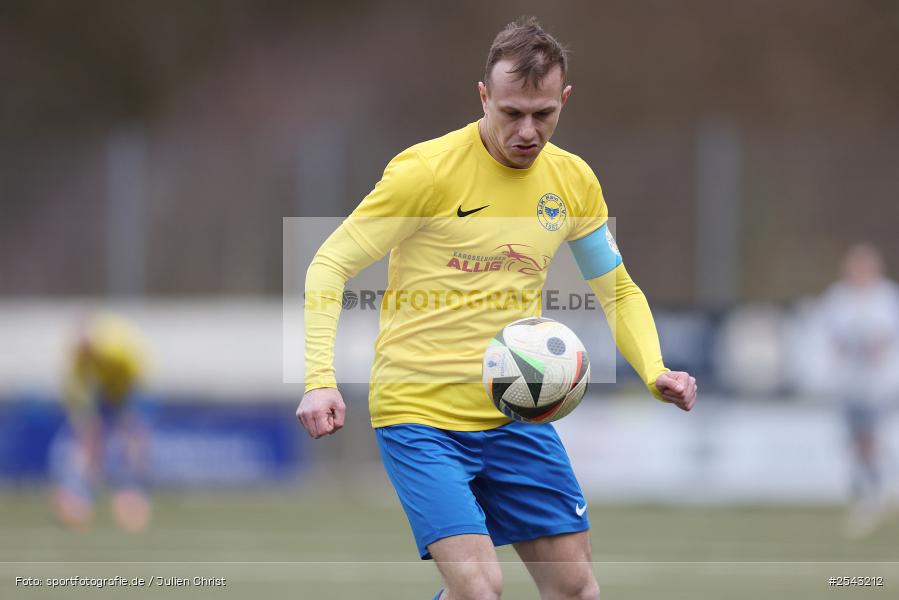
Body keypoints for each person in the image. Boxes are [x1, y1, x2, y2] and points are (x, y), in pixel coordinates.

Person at [298, 17, 697, 600]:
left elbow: (616, 288)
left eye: (543, 114)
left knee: (577, 590)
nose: (528, 130)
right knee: (480, 590)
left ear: (564, 100)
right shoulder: (425, 172)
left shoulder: (573, 182)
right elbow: (328, 264)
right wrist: (318, 379)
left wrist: (654, 368)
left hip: (518, 411)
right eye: (511, 113)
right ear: (484, 97)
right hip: (420, 412)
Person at [818, 243, 899, 537]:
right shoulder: (838, 298)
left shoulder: (887, 297)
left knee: (871, 438)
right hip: (850, 383)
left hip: (880, 384)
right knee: (855, 442)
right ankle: (871, 491)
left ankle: (874, 495)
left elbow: (885, 340)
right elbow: (833, 339)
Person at [52, 312, 154, 532]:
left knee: (132, 442)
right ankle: (79, 497)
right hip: (101, 393)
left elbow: (136, 381)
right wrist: (88, 423)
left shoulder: (118, 354)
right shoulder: (80, 359)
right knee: (88, 442)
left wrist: (125, 415)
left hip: (126, 389)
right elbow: (77, 394)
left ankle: (132, 495)